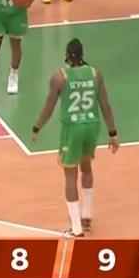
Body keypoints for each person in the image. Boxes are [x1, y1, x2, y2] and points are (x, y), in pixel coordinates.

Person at [31, 38, 119, 238]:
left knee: (70, 176)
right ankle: (87, 216)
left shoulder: (59, 77)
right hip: (92, 125)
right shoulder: (95, 74)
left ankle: (76, 228)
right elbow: (105, 104)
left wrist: (37, 127)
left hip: (72, 129)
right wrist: (113, 133)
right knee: (86, 167)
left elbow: (49, 107)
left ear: (67, 55)